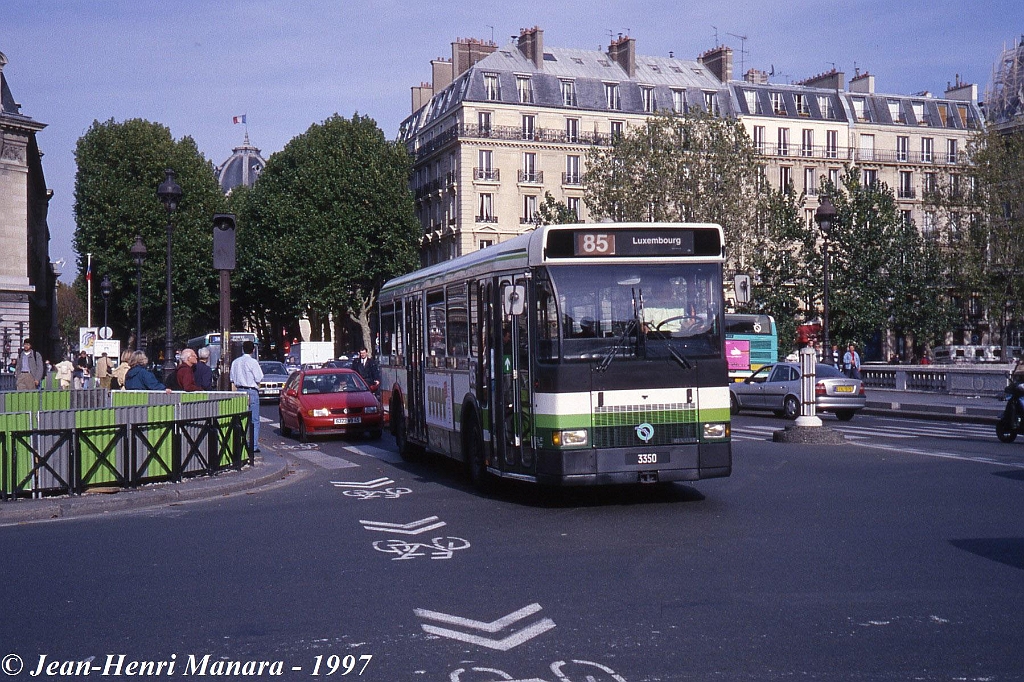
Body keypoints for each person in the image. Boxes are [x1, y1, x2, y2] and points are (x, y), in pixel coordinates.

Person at [230, 340, 264, 453]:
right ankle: (253, 446)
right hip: (251, 391)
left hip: (239, 391)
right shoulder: (253, 362)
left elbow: (232, 380)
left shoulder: (235, 362)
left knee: (241, 419)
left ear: (242, 349)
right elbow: (259, 378)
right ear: (253, 350)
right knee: (254, 420)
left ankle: (241, 443)